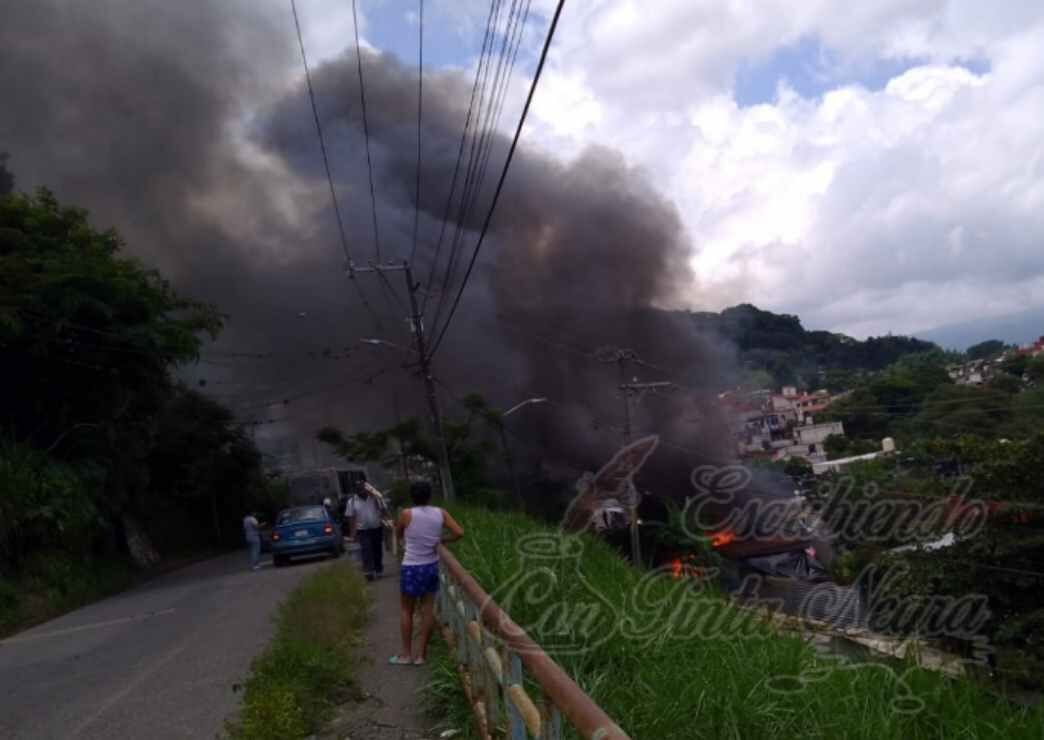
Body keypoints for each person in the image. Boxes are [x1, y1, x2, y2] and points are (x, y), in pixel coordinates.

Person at [389, 480, 464, 666]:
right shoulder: (441, 513)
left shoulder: (406, 514)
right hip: (430, 565)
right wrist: (442, 541)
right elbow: (459, 532)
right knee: (427, 610)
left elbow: (398, 534)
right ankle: (421, 655)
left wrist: (400, 533)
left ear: (412, 497)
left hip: (411, 567)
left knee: (407, 610)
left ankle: (406, 655)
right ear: (429, 496)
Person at [346, 481, 389, 580]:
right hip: (363, 530)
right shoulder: (351, 502)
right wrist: (353, 534)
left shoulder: (375, 498)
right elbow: (351, 518)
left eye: (362, 489)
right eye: (358, 489)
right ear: (355, 490)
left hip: (376, 528)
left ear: (366, 489)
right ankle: (368, 571)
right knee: (366, 550)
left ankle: (378, 570)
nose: (361, 491)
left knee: (377, 550)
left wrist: (378, 497)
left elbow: (384, 510)